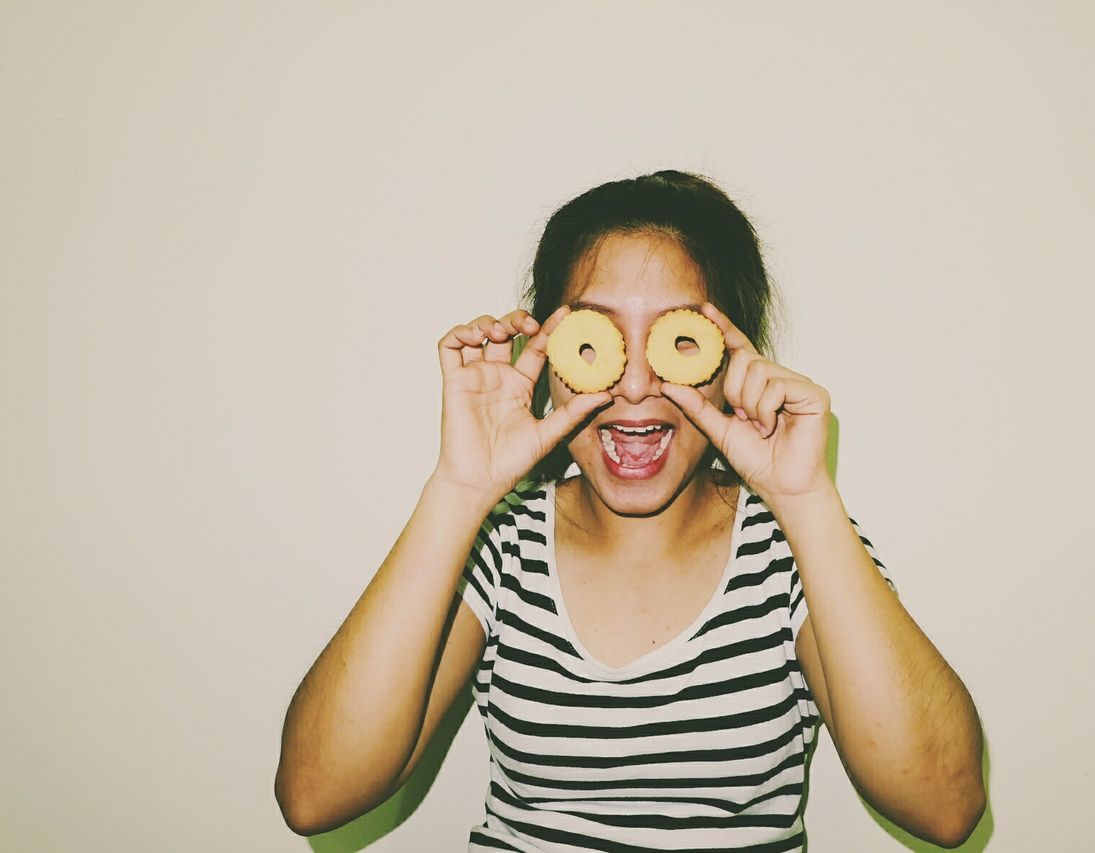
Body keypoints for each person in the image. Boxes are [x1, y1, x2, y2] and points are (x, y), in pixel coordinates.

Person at [275, 170, 986, 850]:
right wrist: (459, 491)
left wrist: (806, 499)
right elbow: (316, 793)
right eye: (597, 340)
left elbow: (944, 805)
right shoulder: (498, 547)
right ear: (548, 357)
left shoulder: (793, 549)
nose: (638, 385)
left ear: (731, 363)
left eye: (678, 341)